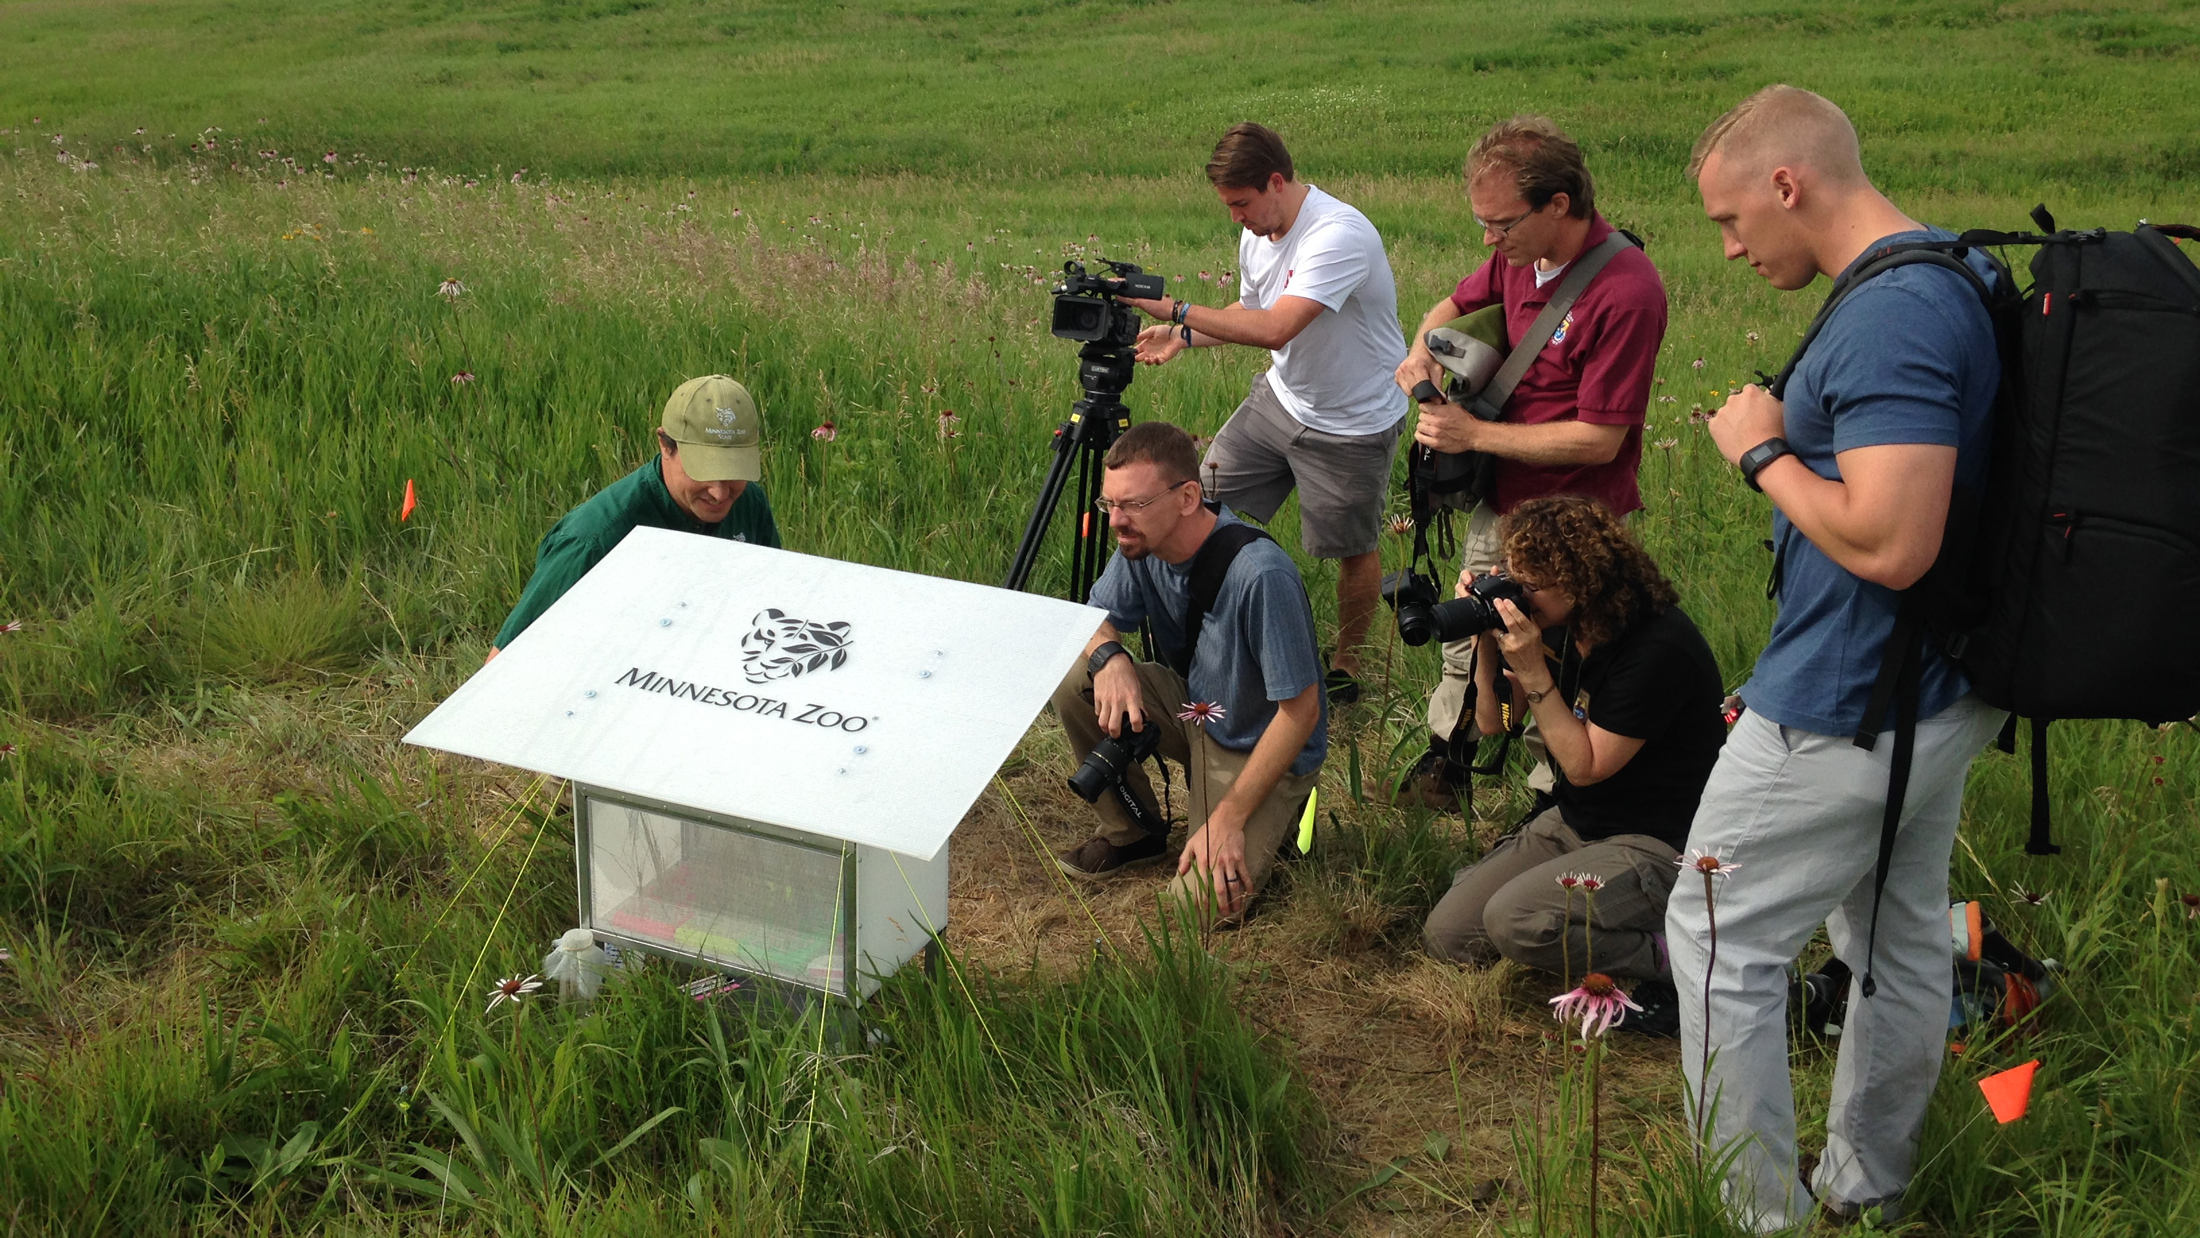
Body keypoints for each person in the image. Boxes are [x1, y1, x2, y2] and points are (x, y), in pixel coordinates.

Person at [1672, 85, 2008, 1231]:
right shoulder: (1953, 269)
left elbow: (1891, 539)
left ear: (1786, 185)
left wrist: (1760, 447)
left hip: (1847, 700)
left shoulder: (1891, 315)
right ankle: (1862, 1188)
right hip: (1929, 692)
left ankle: (1751, 1215)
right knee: (1897, 935)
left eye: (1729, 222)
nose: (1729, 248)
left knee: (1715, 939)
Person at [1390, 116, 1669, 810]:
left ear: (1559, 206)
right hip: (1504, 495)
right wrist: (1424, 347)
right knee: (1471, 623)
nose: (1490, 239)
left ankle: (1558, 794)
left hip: (1579, 510)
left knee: (1569, 654)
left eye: (1502, 223)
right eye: (1482, 223)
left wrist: (1473, 437)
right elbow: (1454, 303)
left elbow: (1600, 439)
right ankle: (1449, 754)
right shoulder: (1519, 257)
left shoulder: (1625, 291)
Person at [1122, 122, 1408, 705]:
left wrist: (1178, 306)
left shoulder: (1338, 234)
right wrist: (1184, 335)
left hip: (1350, 423)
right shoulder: (1259, 232)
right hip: (1282, 399)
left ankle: (1346, 669)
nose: (1235, 218)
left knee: (1349, 547)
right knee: (1192, 498)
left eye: (1241, 203)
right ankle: (1203, 638)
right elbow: (1251, 311)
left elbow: (1277, 325)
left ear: (1276, 182)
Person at [1421, 496, 1722, 1008]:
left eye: (1531, 587)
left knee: (1513, 920)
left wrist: (1536, 672)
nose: (1523, 599)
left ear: (1584, 583)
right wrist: (1487, 642)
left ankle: (1673, 954)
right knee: (1450, 936)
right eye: (1515, 581)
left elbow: (1584, 767)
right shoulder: (1560, 625)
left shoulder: (1656, 649)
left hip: (1657, 843)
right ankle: (1587, 921)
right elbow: (1498, 723)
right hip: (1578, 824)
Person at [1050, 421, 1327, 924]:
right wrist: (1110, 658)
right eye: (1109, 504)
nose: (1116, 521)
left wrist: (1231, 816)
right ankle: (1133, 833)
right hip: (1196, 706)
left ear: (1187, 497)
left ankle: (1285, 817)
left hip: (1261, 740)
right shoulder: (1140, 543)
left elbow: (1301, 712)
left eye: (1133, 504)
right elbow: (1093, 622)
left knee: (1197, 911)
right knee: (1077, 674)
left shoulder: (1261, 575)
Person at [488, 374, 780, 659]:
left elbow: (775, 601)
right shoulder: (593, 541)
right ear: (665, 445)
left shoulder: (748, 502)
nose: (719, 493)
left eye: (733, 471)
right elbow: (501, 666)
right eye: (703, 470)